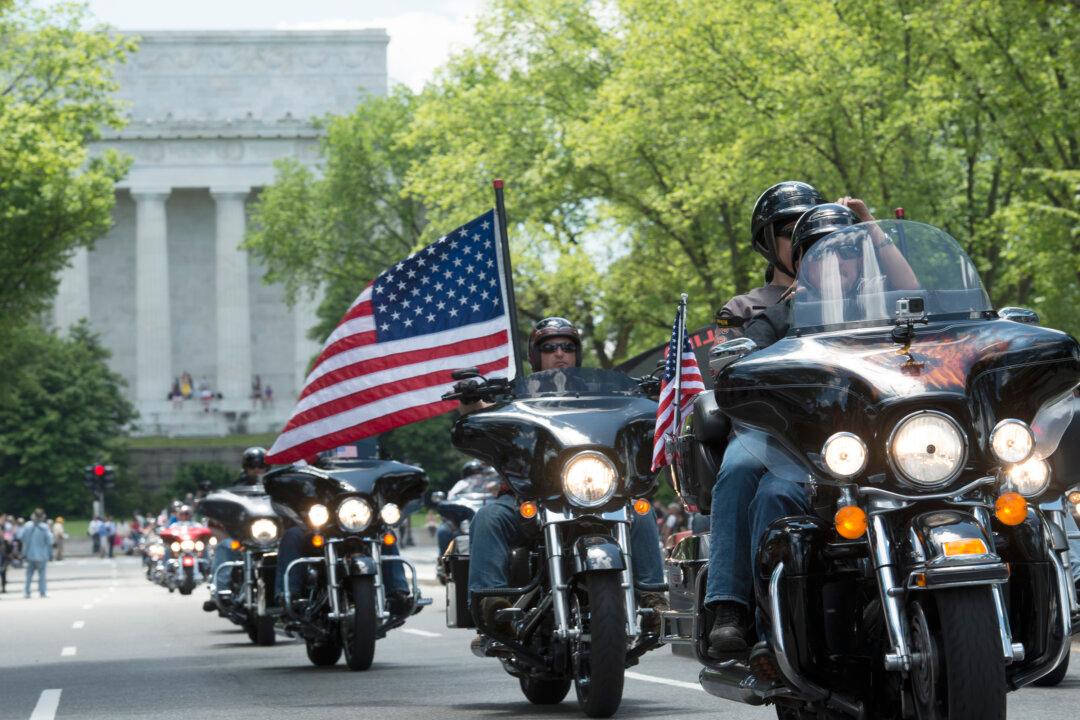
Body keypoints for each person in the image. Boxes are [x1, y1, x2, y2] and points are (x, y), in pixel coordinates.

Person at [706, 200, 868, 658]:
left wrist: (872, 228)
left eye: (844, 248)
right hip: (778, 433)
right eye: (818, 249)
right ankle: (731, 607)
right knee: (741, 474)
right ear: (799, 258)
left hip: (863, 433)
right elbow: (729, 369)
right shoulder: (768, 312)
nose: (833, 258)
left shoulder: (877, 302)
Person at [463, 316, 668, 633]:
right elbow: (477, 413)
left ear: (577, 353)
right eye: (549, 347)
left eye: (567, 347)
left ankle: (653, 598)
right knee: (489, 517)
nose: (560, 353)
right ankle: (492, 602)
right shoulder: (514, 398)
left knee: (641, 512)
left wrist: (655, 393)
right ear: (535, 355)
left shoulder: (604, 396)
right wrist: (471, 400)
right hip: (528, 499)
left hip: (596, 493)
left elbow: (634, 414)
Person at [713, 181, 824, 342]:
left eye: (814, 232)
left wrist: (869, 237)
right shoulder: (742, 308)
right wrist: (783, 312)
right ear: (767, 242)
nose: (804, 240)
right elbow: (724, 365)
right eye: (792, 232)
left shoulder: (844, 295)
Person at [17, 509, 53, 598]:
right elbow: (50, 541)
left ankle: (27, 592)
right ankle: (42, 592)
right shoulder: (44, 527)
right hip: (42, 554)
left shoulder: (27, 526)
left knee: (29, 575)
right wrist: (50, 553)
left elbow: (21, 537)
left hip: (30, 554)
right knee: (42, 575)